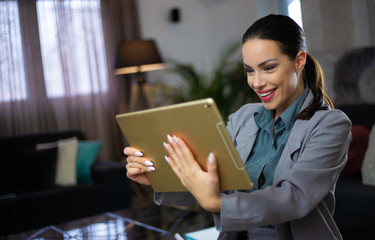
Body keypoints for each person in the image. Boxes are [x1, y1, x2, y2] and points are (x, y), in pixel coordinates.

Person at [124, 14, 352, 240]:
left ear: (299, 61)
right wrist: (157, 177)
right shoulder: (243, 118)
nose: (257, 82)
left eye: (268, 68)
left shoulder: (331, 125)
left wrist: (216, 203)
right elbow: (212, 183)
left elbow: (295, 198)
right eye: (249, 71)